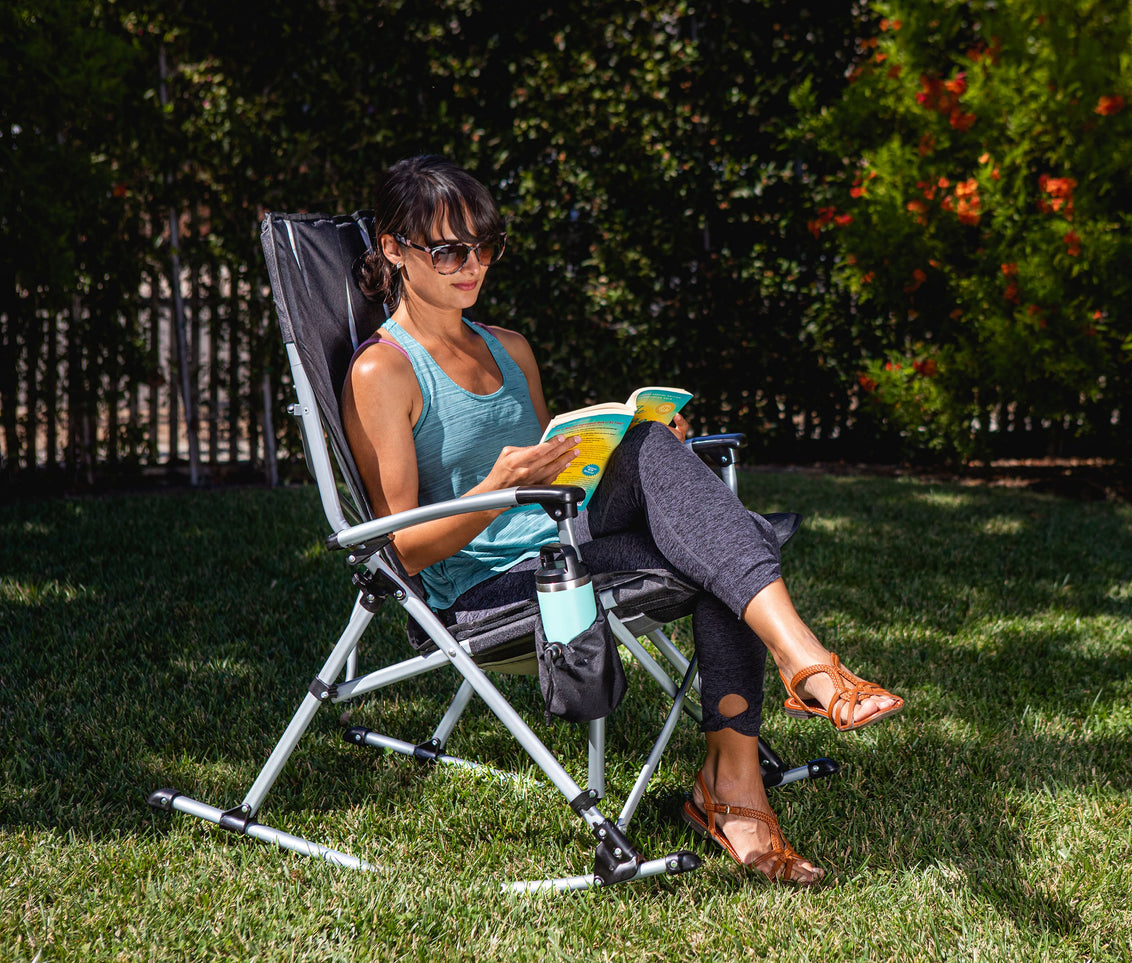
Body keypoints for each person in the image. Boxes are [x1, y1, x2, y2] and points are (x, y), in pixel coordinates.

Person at [342, 154, 903, 885]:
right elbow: (404, 551)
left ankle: (740, 769)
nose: (471, 264)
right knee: (729, 543)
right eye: (447, 250)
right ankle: (782, 709)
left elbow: (563, 482)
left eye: (485, 245)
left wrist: (635, 457)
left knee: (660, 465)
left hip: (562, 544)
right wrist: (496, 485)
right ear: (393, 249)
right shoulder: (381, 372)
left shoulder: (508, 347)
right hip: (481, 590)